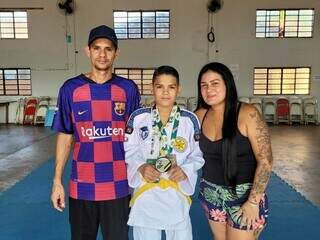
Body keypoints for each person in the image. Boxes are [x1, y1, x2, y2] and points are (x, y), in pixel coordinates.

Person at [50, 25, 140, 240]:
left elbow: (136, 138)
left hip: (119, 186)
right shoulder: (70, 89)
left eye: (108, 49)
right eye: (97, 48)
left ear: (116, 52)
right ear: (87, 51)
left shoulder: (128, 89)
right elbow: (65, 135)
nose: (102, 54)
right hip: (82, 187)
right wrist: (56, 181)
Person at [124, 66, 204, 240]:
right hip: (146, 190)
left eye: (171, 87)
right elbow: (129, 150)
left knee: (181, 234)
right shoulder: (138, 118)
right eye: (160, 87)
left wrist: (185, 170)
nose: (165, 92)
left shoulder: (189, 120)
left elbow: (197, 155)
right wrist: (141, 166)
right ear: (152, 88)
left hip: (176, 191)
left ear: (179, 89)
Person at [195, 62, 272, 240]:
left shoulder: (248, 114)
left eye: (215, 83)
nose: (209, 89)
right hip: (211, 193)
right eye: (203, 85)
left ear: (227, 85)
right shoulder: (199, 115)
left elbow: (266, 161)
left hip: (245, 195)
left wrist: (253, 202)